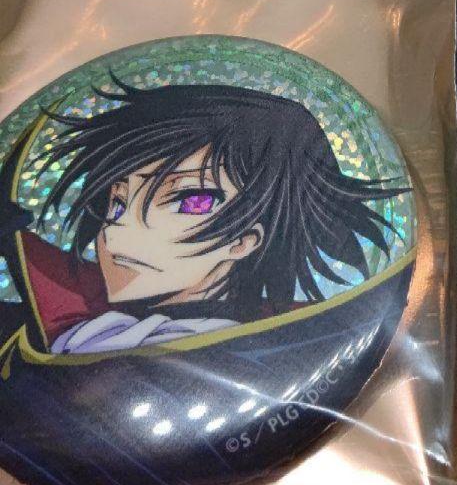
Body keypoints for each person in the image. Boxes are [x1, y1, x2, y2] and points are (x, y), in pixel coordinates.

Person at [0, 80, 404, 355]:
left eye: (189, 201)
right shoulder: (87, 332)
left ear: (245, 240)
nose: (118, 229)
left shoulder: (272, 350)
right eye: (116, 204)